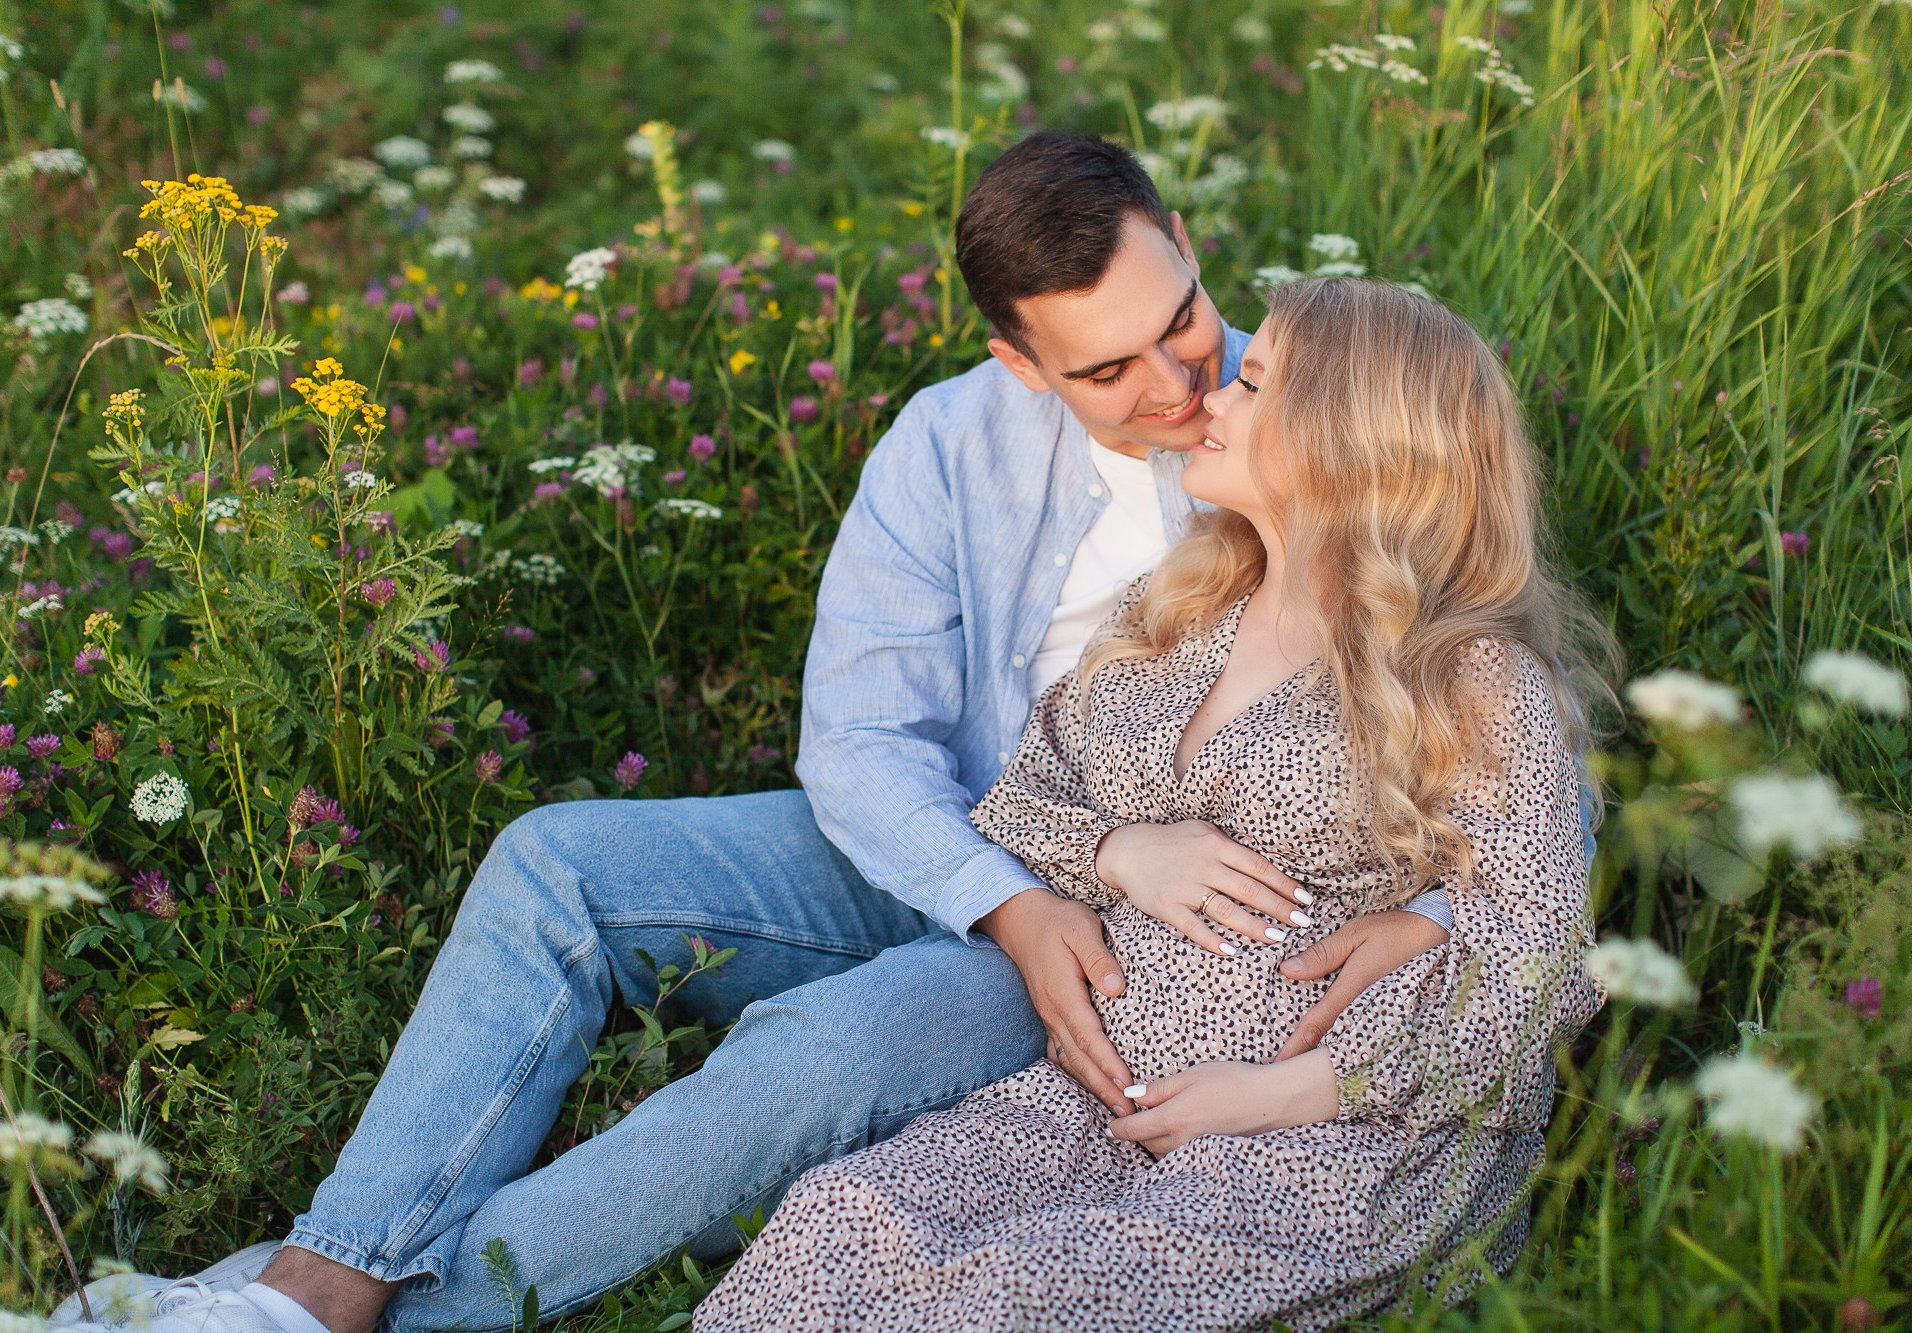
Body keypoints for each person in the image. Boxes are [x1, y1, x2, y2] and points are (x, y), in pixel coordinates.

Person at [59, 133, 1497, 1333]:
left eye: (1181, 321)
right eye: (1106, 370)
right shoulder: (945, 443)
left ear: (1186, 244)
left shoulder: (1311, 415)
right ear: (1015, 356)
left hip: (1137, 950)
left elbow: (1500, 706)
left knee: (818, 1053)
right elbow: (862, 744)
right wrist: (1002, 897)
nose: (1177, 388)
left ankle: (324, 1314)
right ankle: (320, 1281)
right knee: (555, 859)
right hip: (961, 852)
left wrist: (1434, 912)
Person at [691, 275, 1617, 1332]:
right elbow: (1018, 800)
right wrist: (1118, 847)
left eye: (1253, 383)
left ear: (1344, 435)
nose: (1214, 395)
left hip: (1332, 1137)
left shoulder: (1467, 677)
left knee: (1011, 1299)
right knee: (836, 1223)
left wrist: (1293, 1090)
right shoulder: (1178, 608)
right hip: (1096, 1102)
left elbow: (1538, 962)